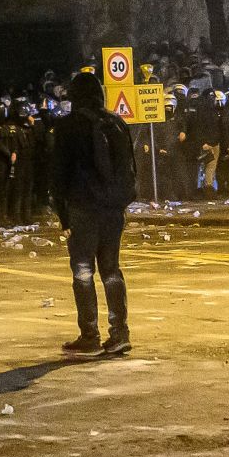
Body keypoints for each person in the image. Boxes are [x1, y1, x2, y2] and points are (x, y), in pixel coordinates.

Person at [52, 70, 136, 357]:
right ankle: (119, 332)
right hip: (113, 210)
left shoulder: (68, 127)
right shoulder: (116, 123)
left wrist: (63, 216)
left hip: (83, 209)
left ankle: (89, 335)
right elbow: (130, 168)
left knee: (83, 271)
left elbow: (59, 175)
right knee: (111, 270)